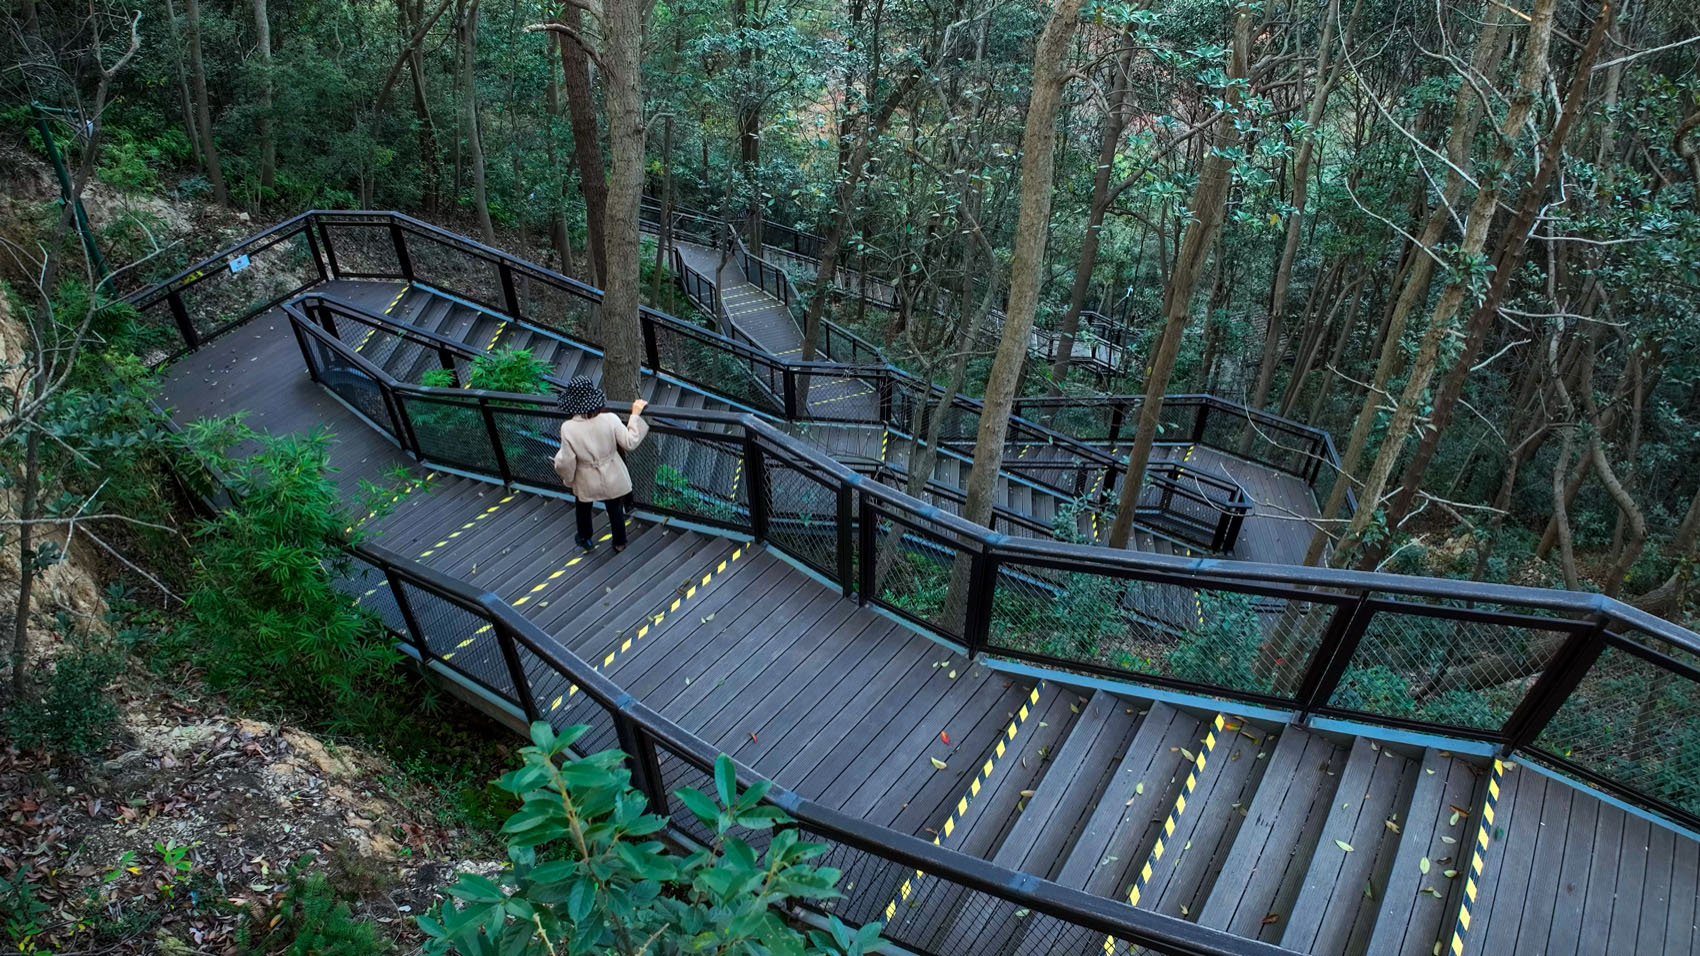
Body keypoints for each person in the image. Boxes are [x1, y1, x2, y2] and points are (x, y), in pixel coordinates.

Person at [552, 376, 648, 552]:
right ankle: (619, 543)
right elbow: (629, 442)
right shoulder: (610, 419)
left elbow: (567, 460)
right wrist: (634, 415)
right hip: (611, 472)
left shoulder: (568, 428)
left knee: (583, 507)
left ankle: (585, 539)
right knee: (615, 509)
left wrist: (567, 478)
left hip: (586, 476)